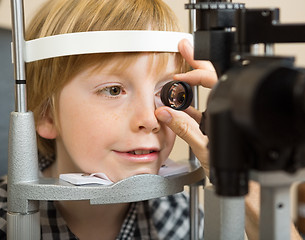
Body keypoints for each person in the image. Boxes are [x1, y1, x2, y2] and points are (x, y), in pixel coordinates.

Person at [0, 0, 211, 239]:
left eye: (169, 92)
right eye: (113, 90)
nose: (150, 120)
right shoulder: (5, 221)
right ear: (46, 114)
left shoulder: (179, 214)